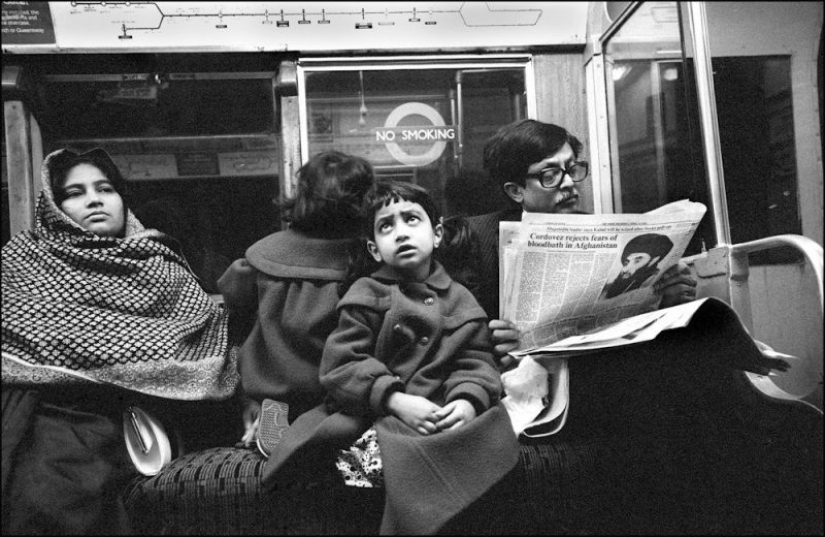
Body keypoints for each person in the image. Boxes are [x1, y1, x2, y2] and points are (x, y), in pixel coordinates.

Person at [261, 180, 519, 535]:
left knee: (490, 444)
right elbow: (342, 365)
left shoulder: (460, 299)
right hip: (377, 413)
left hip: (442, 411)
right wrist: (395, 399)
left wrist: (467, 401)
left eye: (412, 220)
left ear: (438, 233)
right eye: (387, 226)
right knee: (365, 468)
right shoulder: (367, 293)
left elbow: (475, 361)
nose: (401, 233)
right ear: (375, 248)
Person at [1, 148, 237, 535]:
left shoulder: (159, 265)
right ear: (52, 207)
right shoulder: (21, 261)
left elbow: (202, 339)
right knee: (48, 482)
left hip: (145, 415)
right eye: (74, 193)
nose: (94, 199)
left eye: (104, 188)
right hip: (47, 410)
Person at [465, 119, 698, 358]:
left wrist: (666, 299)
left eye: (571, 168)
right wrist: (492, 344)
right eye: (550, 174)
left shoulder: (603, 234)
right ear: (516, 191)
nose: (568, 183)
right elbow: (462, 335)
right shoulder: (476, 239)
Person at [217, 150, 377, 444]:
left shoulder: (257, 261)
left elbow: (234, 323)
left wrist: (246, 397)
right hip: (346, 398)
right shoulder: (369, 263)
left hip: (274, 398)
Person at [601, 233, 675, 299]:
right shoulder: (608, 288)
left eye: (637, 261)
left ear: (654, 260)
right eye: (626, 262)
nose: (625, 269)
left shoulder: (656, 281)